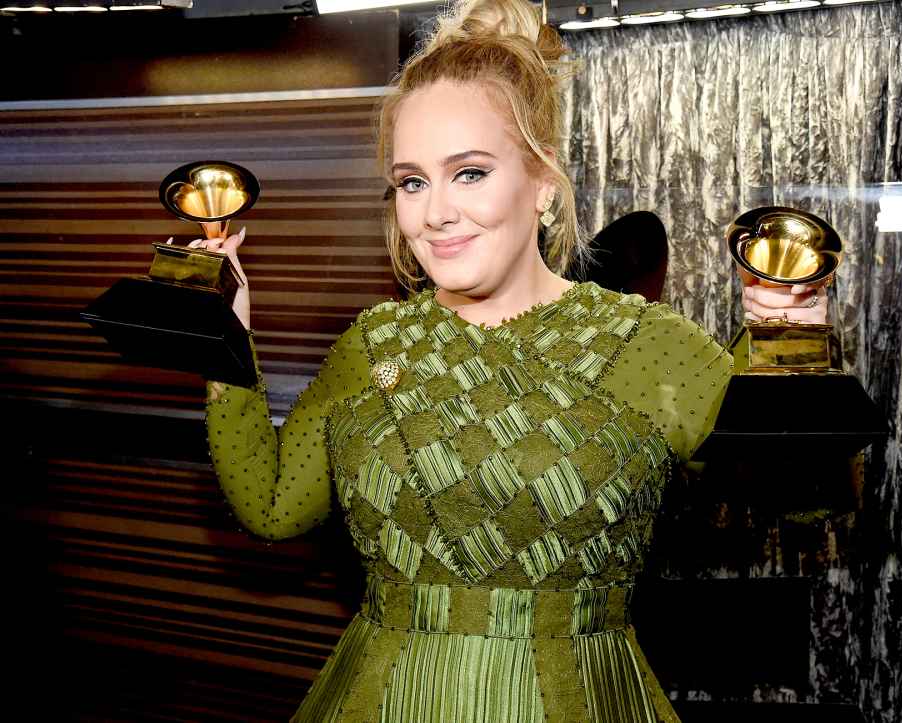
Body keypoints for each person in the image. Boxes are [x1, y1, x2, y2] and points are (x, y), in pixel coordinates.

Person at [193, 1, 828, 720]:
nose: (434, 213)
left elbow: (799, 494)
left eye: (468, 173)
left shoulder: (644, 343)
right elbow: (272, 506)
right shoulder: (373, 345)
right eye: (411, 181)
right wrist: (223, 338)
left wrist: (790, 350)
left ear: (543, 183)